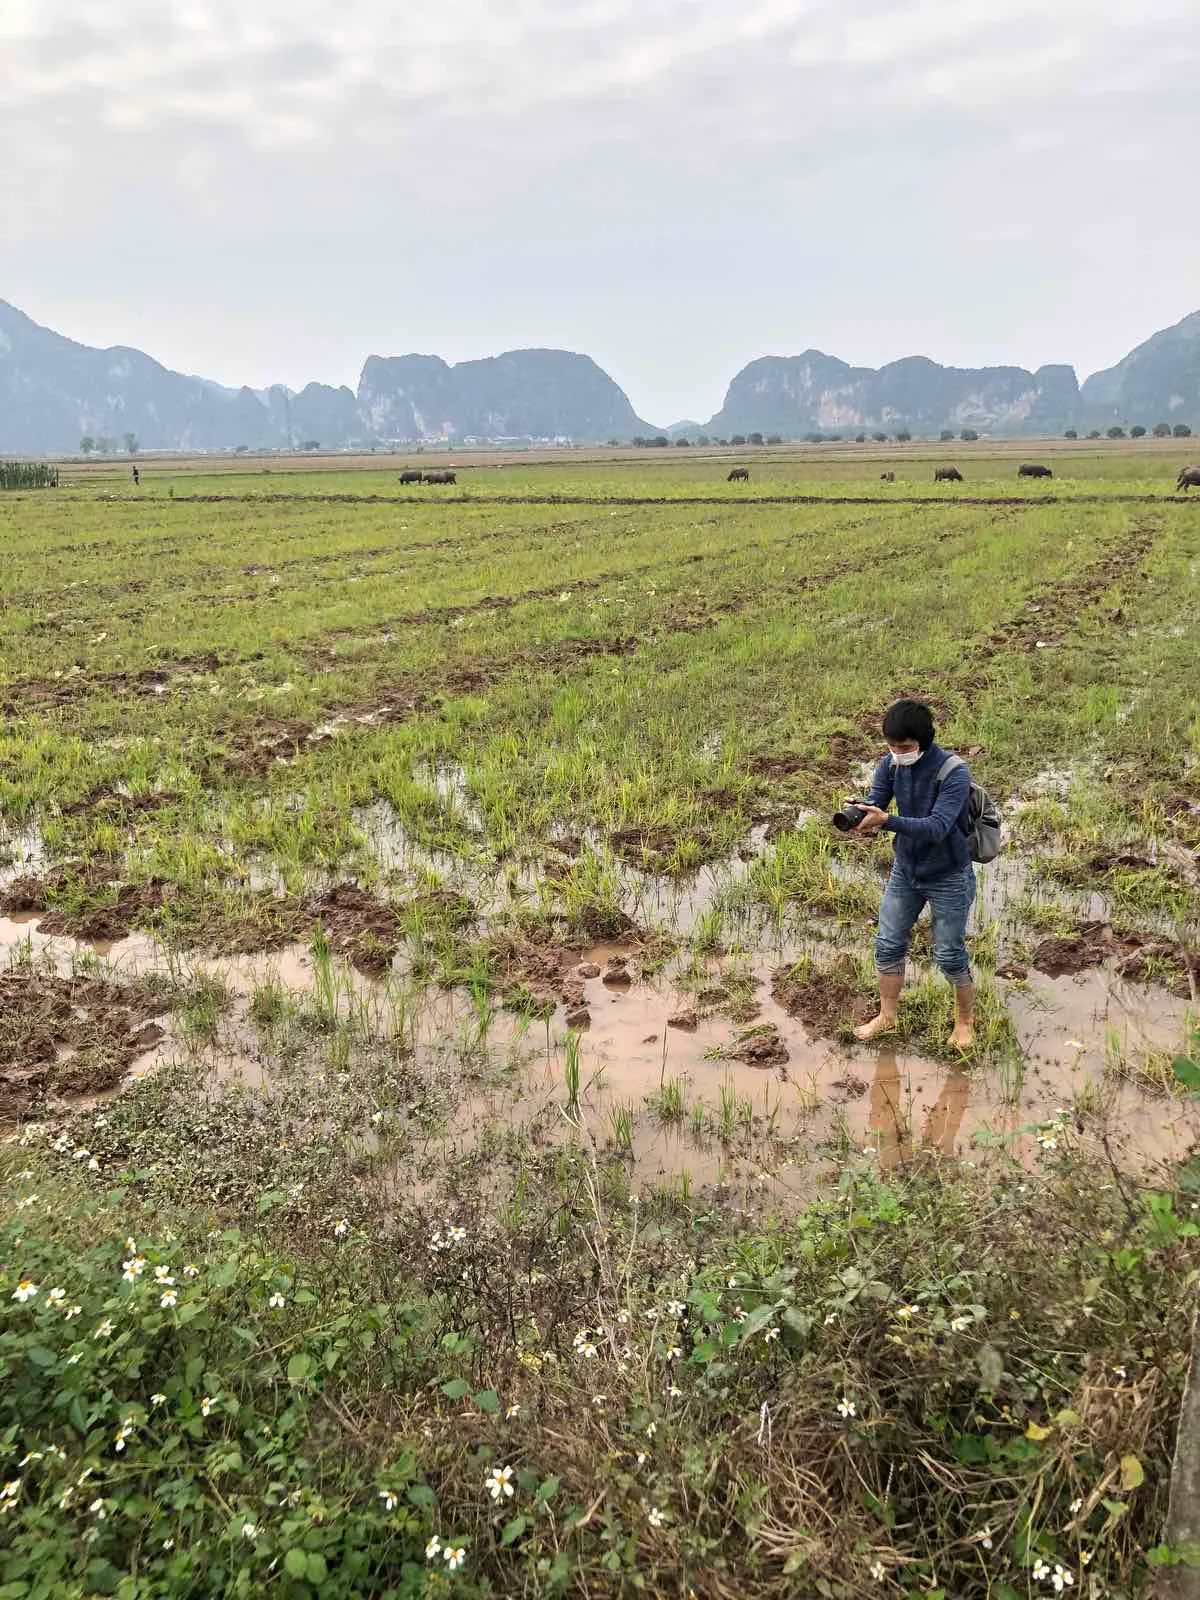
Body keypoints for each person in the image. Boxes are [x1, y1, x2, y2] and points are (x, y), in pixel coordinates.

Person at [850, 698, 976, 1049]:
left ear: (924, 740)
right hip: (906, 870)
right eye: (890, 746)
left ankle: (965, 1021)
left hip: (948, 874)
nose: (896, 753)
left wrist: (888, 821)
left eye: (903, 747)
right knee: (888, 944)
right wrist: (864, 814)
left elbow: (937, 827)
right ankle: (887, 1016)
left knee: (949, 954)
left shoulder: (954, 773)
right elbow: (879, 799)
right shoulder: (890, 765)